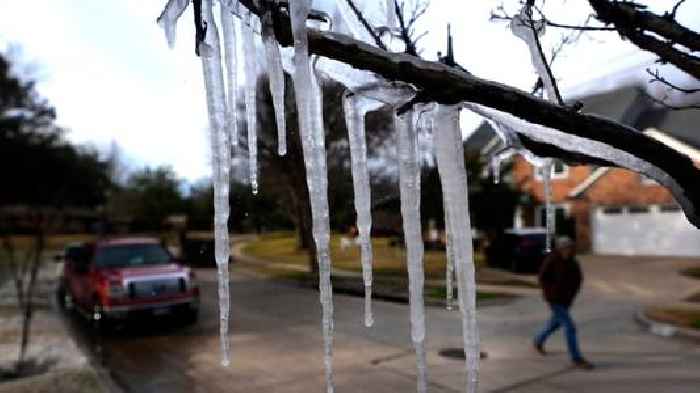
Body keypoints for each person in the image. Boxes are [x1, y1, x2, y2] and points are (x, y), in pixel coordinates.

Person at [533, 236, 594, 370]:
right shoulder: (552, 260)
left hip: (566, 301)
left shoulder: (573, 263)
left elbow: (578, 280)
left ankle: (538, 341)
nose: (567, 250)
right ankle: (576, 358)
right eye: (564, 248)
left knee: (554, 324)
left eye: (569, 248)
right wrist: (549, 294)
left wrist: (572, 295)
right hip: (554, 300)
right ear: (559, 249)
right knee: (570, 327)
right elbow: (542, 278)